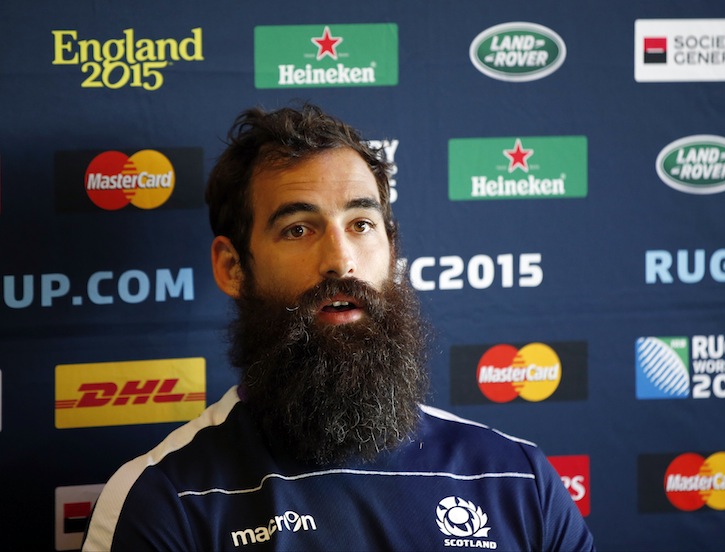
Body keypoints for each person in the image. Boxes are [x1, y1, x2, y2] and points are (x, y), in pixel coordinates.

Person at [82, 103, 595, 551]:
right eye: (298, 229)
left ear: (391, 248)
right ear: (232, 268)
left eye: (361, 224)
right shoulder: (166, 500)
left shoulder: (515, 477)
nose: (340, 261)